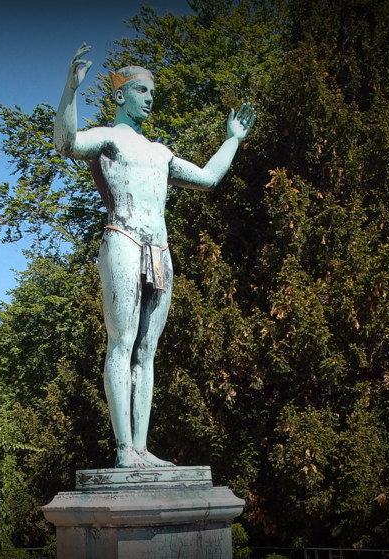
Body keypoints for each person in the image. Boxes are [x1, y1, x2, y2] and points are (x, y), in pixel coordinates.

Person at [54, 43, 255, 468]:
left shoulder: (161, 152)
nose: (150, 99)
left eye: (151, 93)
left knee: (147, 351)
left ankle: (142, 447)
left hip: (159, 249)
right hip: (123, 239)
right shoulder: (108, 139)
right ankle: (124, 448)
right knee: (122, 343)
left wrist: (232, 140)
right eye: (142, 91)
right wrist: (70, 92)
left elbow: (209, 177)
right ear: (121, 95)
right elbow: (67, 143)